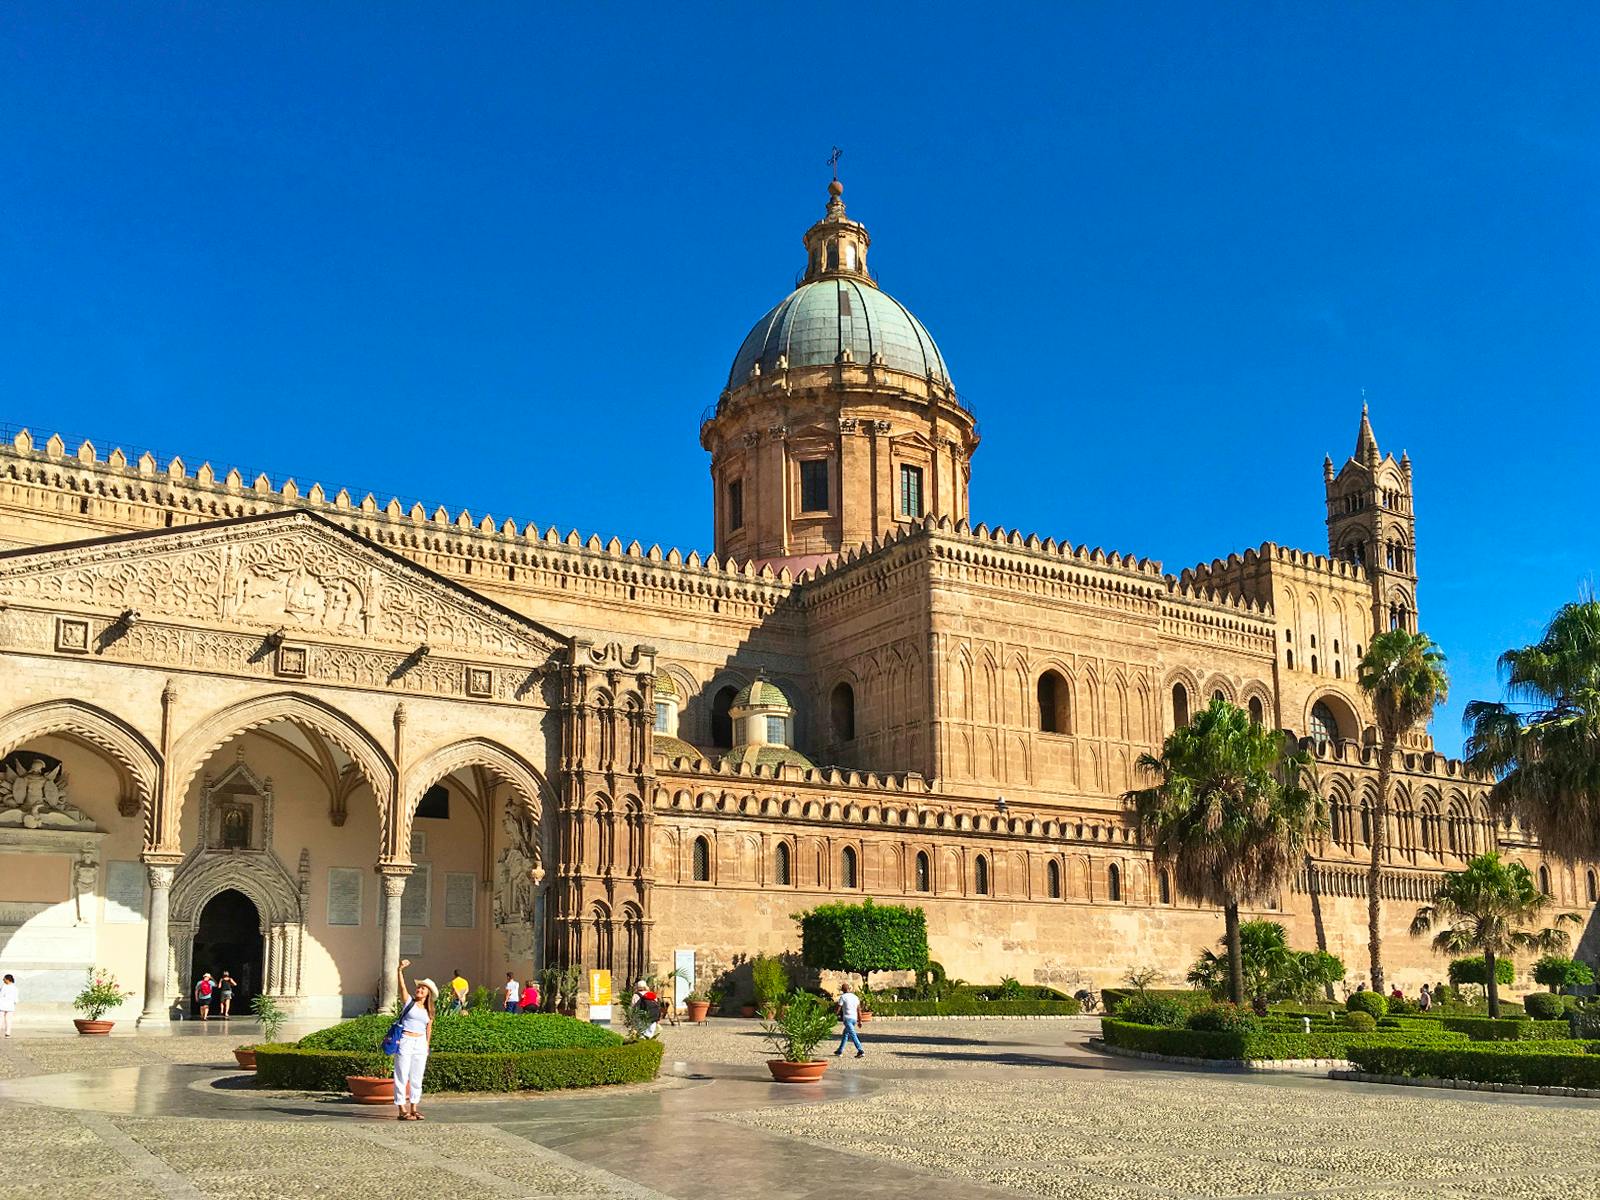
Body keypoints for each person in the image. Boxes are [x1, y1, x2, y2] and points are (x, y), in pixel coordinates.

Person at [393, 959, 436, 1121]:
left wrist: (426, 1045)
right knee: (402, 1074)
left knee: (417, 1076)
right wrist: (400, 971)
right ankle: (401, 1108)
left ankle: (414, 1107)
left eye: (423, 988)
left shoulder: (429, 1011)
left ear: (428, 993)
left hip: (420, 1043)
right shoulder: (409, 1002)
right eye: (419, 987)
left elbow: (428, 1028)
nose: (419, 989)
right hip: (406, 1039)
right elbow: (402, 987)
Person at [833, 982, 864, 1059]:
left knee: (853, 1034)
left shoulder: (843, 997)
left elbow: (838, 1008)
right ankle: (839, 1050)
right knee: (845, 1034)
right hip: (854, 1018)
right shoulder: (855, 997)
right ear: (849, 989)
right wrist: (860, 1021)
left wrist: (833, 1015)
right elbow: (859, 1010)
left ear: (842, 990)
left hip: (847, 1018)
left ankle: (860, 1050)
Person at [0, 973, 17, 1037]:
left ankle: (7, 1033)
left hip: (2, 1005)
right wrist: (14, 1003)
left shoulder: (4, 987)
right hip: (10, 1006)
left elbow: (1, 995)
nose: (3, 980)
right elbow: (16, 998)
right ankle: (8, 1033)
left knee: (1, 1019)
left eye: (4, 979)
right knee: (8, 1020)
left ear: (8, 979)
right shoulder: (15, 987)